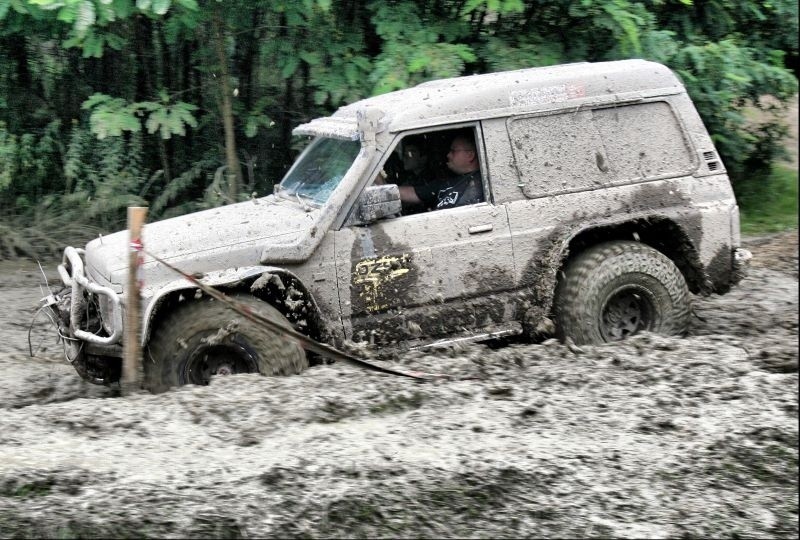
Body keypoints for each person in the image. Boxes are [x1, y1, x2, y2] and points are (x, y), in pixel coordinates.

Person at [398, 132, 483, 210]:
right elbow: (414, 193)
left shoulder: (483, 183)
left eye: (453, 151)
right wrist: (388, 191)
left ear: (470, 155)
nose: (448, 155)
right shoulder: (445, 182)